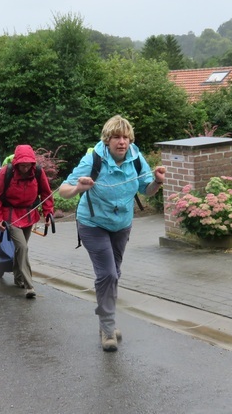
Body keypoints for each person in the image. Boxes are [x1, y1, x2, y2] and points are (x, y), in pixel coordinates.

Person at [58, 115, 166, 352]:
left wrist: (157, 182)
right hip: (92, 224)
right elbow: (63, 190)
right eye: (116, 137)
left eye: (125, 137)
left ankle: (105, 319)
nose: (122, 142)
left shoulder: (136, 158)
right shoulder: (93, 159)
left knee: (114, 273)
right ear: (107, 140)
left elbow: (147, 189)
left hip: (121, 225)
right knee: (107, 274)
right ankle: (108, 329)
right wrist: (78, 187)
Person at [0, 145, 54, 299]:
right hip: (11, 215)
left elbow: (46, 193)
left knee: (21, 248)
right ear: (17, 163)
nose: (25, 168)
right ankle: (29, 284)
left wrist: (48, 213)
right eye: (22, 165)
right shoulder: (7, 172)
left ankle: (18, 278)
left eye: (28, 165)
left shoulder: (38, 171)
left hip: (29, 214)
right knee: (23, 247)